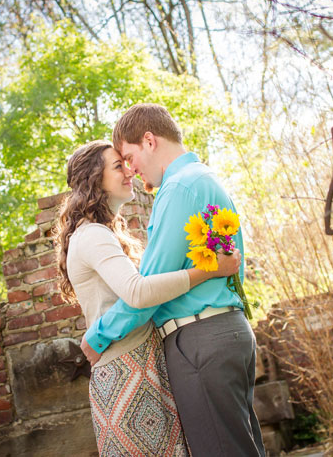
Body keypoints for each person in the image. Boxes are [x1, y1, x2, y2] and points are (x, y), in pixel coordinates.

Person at [81, 104, 266, 457]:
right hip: (224, 333)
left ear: (149, 141)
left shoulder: (179, 187)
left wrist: (100, 334)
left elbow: (149, 287)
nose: (131, 169)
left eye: (129, 156)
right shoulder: (203, 178)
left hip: (201, 340)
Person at [54, 139, 241, 457]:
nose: (129, 171)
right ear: (93, 178)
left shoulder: (100, 233)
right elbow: (138, 293)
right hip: (125, 369)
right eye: (118, 165)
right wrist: (209, 270)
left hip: (142, 365)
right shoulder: (93, 235)